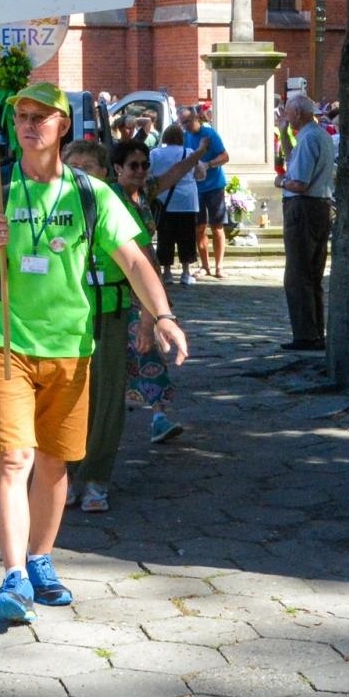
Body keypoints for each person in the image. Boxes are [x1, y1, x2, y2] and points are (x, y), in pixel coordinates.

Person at [0, 82, 188, 624]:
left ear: (63, 127)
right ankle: (12, 578)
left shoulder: (91, 193)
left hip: (72, 345)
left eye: (41, 116)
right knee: (13, 458)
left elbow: (132, 258)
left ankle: (39, 559)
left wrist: (163, 314)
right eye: (22, 116)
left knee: (56, 463)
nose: (29, 124)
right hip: (6, 343)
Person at [62, 140, 194, 514]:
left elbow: (145, 264)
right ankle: (68, 475)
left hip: (111, 312)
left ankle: (96, 478)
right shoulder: (51, 208)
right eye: (74, 167)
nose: (82, 174)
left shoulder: (114, 206)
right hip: (63, 316)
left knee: (106, 401)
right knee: (68, 400)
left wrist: (151, 319)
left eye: (90, 166)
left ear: (105, 173)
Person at [111, 139, 191, 446]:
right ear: (117, 168)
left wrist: (198, 153)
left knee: (150, 348)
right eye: (133, 165)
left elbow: (173, 174)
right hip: (118, 283)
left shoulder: (144, 194)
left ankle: (159, 416)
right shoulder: (111, 198)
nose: (141, 170)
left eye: (145, 164)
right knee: (126, 350)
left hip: (144, 284)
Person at [277, 95, 337, 351]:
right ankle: (314, 332)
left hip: (304, 208)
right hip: (319, 206)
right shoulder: (317, 135)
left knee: (298, 274)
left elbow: (298, 183)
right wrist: (282, 134)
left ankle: (305, 334)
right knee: (312, 274)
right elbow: (295, 162)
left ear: (298, 114)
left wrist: (279, 182)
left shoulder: (309, 138)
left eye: (288, 113)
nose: (286, 117)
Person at [149, 124, 202, 285]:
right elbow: (200, 173)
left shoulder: (155, 153)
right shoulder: (189, 153)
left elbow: (149, 173)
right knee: (187, 237)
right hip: (187, 202)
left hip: (164, 200)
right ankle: (186, 272)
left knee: (166, 237)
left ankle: (167, 272)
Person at [184, 107, 231, 279]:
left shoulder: (209, 134)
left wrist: (208, 164)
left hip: (213, 186)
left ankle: (219, 266)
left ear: (196, 117)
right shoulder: (185, 136)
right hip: (195, 187)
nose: (185, 126)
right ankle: (205, 266)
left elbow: (225, 156)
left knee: (217, 226)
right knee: (199, 228)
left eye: (187, 122)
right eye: (182, 123)